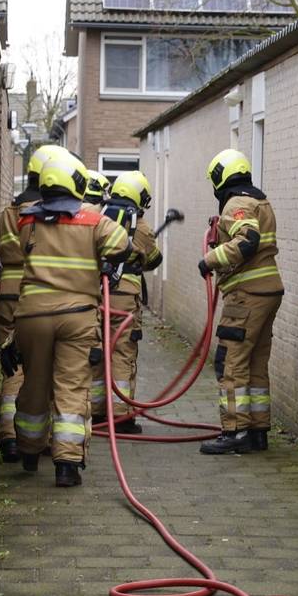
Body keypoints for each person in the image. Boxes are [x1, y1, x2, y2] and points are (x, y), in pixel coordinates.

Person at [13, 150, 131, 487]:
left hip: (32, 315)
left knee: (34, 383)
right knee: (72, 385)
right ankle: (66, 464)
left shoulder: (26, 221)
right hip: (77, 317)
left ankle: (29, 451)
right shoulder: (93, 220)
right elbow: (122, 245)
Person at [196, 149, 283, 455]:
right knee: (255, 363)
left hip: (246, 295)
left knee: (230, 362)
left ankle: (235, 431)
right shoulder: (260, 201)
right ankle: (258, 431)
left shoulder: (236, 203)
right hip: (268, 292)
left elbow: (247, 240)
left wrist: (210, 260)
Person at [0, 144, 71, 463]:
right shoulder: (46, 214)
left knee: (12, 365)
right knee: (44, 368)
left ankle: (9, 437)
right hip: (39, 292)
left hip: (9, 293)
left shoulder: (8, 212)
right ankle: (41, 438)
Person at [94, 170, 163, 434]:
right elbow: (154, 259)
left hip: (98, 294)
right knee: (122, 352)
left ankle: (97, 413)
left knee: (98, 351)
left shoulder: (99, 217)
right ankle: (120, 417)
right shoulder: (141, 227)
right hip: (123, 300)